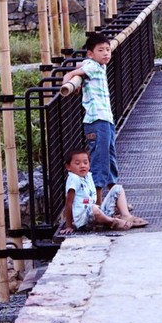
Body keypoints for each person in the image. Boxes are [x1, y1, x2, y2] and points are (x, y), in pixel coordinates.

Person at [62, 32, 118, 205]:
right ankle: (98, 202)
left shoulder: (99, 65)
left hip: (105, 119)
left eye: (108, 49)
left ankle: (114, 197)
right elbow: (76, 72)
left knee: (109, 156)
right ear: (90, 53)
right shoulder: (93, 66)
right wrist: (68, 78)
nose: (106, 53)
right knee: (101, 159)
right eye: (101, 50)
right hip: (97, 121)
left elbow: (83, 65)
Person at [60, 149, 147, 233]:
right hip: (84, 221)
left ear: (89, 165)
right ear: (68, 167)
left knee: (117, 188)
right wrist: (69, 225)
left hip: (96, 213)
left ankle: (125, 216)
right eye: (77, 163)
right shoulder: (73, 179)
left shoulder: (88, 176)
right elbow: (68, 203)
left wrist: (102, 209)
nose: (82, 165)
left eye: (85, 163)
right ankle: (113, 222)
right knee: (94, 208)